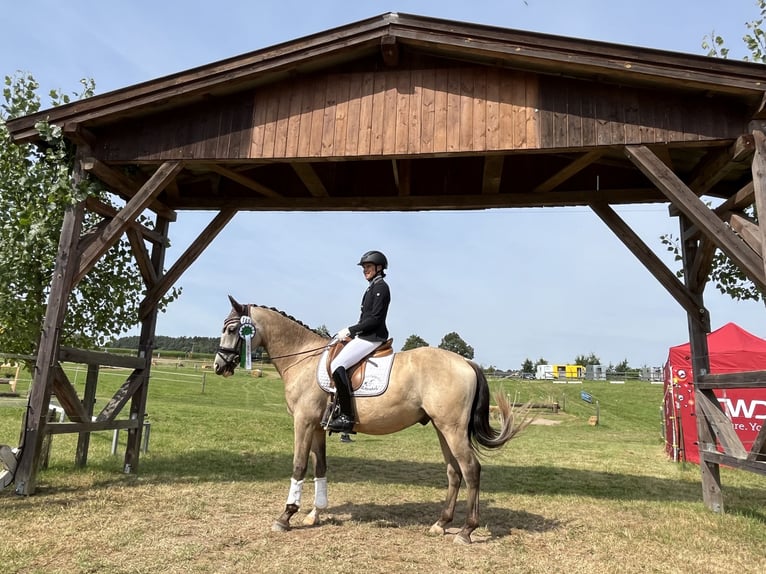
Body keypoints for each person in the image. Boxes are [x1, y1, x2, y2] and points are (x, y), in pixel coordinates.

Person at [326, 250, 391, 434]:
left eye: (368, 267)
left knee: (337, 364)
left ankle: (347, 416)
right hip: (365, 336)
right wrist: (353, 335)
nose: (365, 270)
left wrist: (351, 330)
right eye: (364, 268)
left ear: (379, 268)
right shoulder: (372, 287)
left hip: (373, 336)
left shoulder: (381, 288)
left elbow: (375, 320)